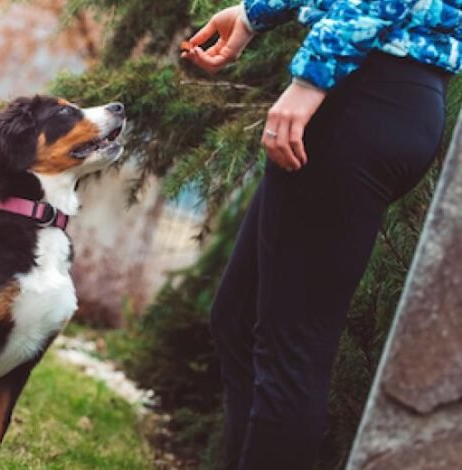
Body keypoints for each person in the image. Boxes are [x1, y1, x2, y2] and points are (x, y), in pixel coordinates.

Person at [181, 1, 460, 469]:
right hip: (388, 92)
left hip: (365, 89)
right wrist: (253, 14)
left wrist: (313, 77)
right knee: (241, 319)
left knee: (291, 351)